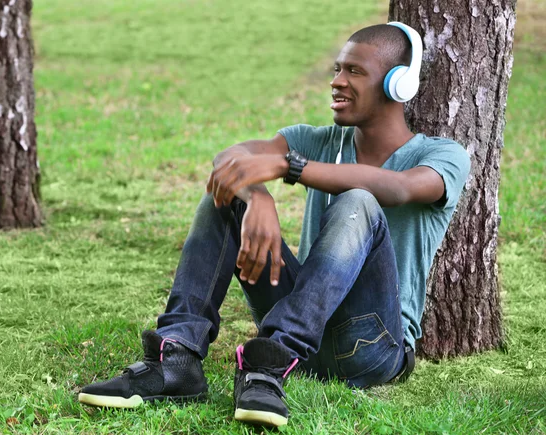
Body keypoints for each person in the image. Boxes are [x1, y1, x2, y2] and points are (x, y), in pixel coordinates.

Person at [78, 22, 471, 427]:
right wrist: (256, 195)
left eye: (354, 71)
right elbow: (229, 161)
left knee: (360, 201)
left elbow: (400, 188)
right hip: (305, 333)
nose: (337, 82)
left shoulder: (443, 155)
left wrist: (289, 167)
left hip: (372, 347)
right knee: (227, 193)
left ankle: (269, 361)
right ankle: (177, 360)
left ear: (397, 85)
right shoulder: (316, 140)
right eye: (336, 69)